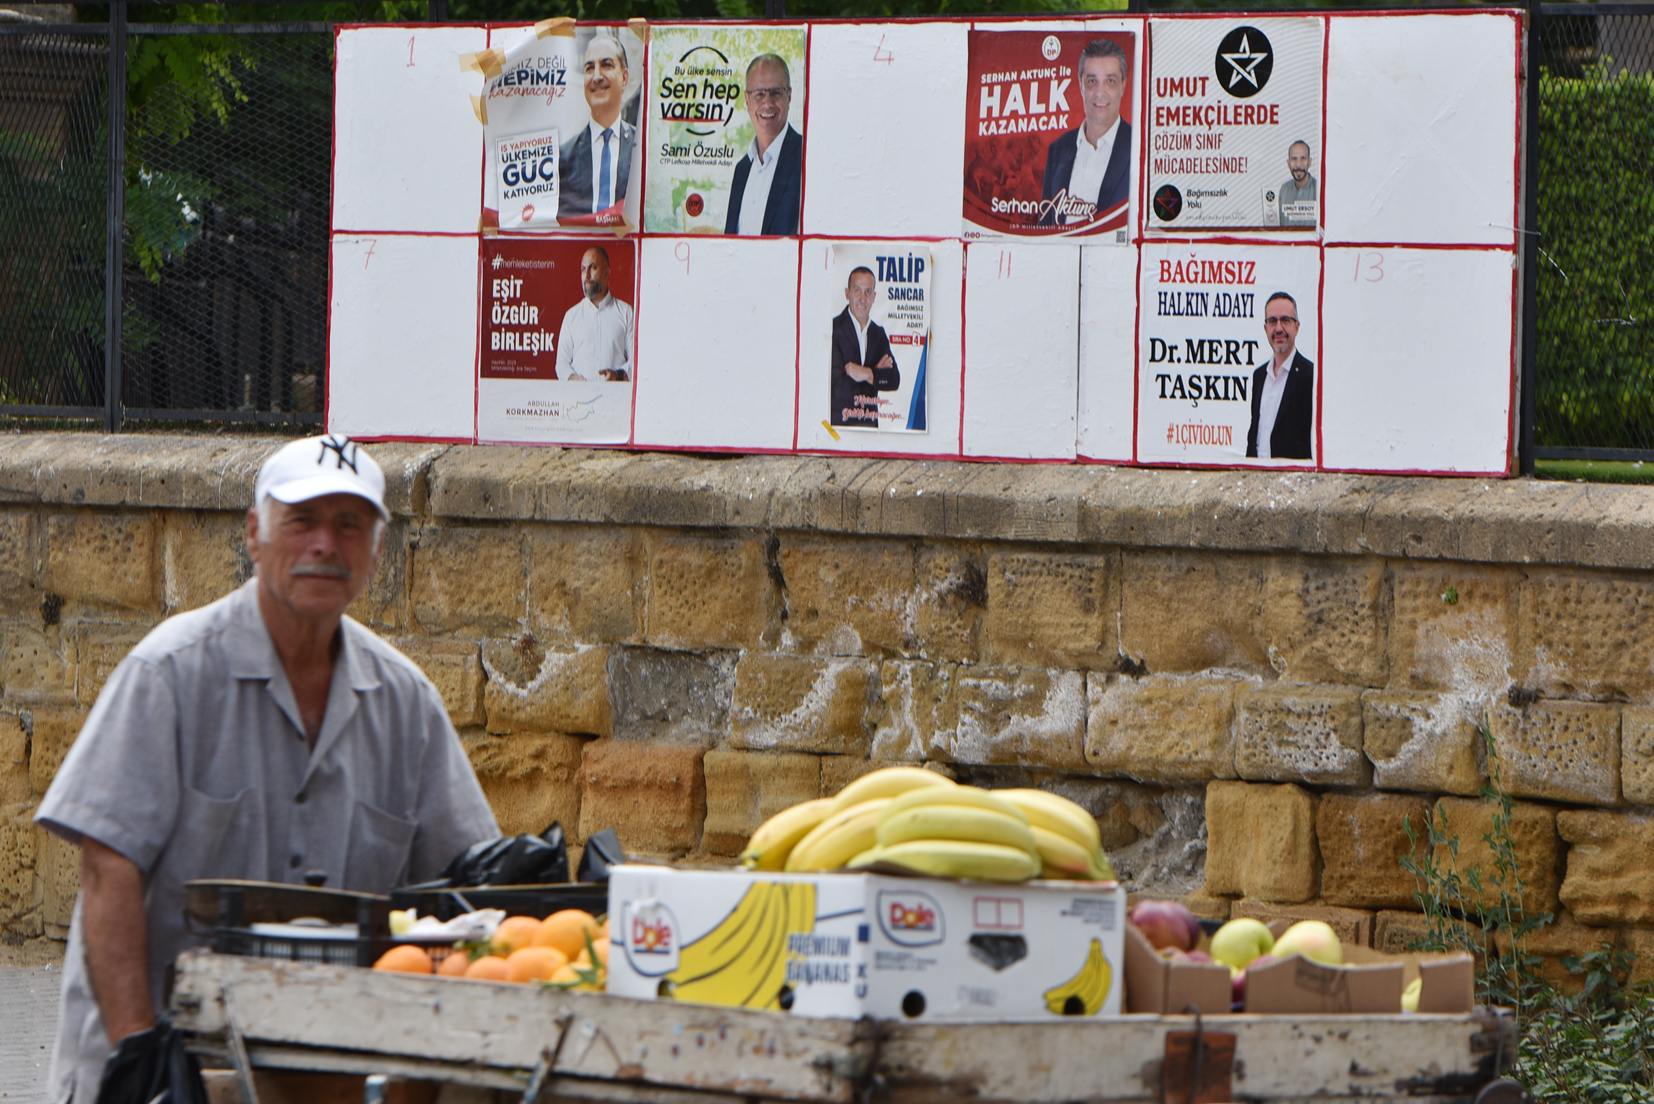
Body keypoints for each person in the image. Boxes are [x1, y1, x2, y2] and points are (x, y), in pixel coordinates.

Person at [35, 435, 500, 1102]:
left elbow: (465, 885)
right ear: (255, 535)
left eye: (350, 525)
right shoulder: (170, 672)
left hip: (322, 1073)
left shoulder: (406, 703)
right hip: (156, 1056)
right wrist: (142, 1059)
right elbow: (108, 869)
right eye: (302, 521)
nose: (325, 545)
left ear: (376, 553)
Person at [1040, 39, 1133, 226]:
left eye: (1110, 81)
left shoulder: (1139, 147)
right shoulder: (1058, 149)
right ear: (1080, 85)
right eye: (1092, 81)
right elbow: (1045, 225)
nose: (1100, 93)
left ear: (1123, 85)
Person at [558, 35, 636, 221]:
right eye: (589, 68)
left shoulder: (641, 149)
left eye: (606, 65)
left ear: (624, 78)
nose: (597, 76)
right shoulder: (564, 156)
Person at [725, 54, 803, 236]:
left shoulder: (805, 158)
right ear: (747, 100)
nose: (767, 103)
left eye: (776, 93)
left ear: (789, 97)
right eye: (759, 94)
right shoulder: (741, 170)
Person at [1246, 292, 1315, 460]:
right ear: (1265, 328)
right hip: (1256, 473)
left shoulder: (1310, 376)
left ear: (1297, 326)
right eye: (1272, 321)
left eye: (1285, 320)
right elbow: (1255, 434)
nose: (1278, 328)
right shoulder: (1259, 376)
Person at [830, 266, 900, 428]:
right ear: (847, 293)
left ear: (874, 297)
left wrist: (867, 373)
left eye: (868, 292)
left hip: (870, 427)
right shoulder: (833, 330)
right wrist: (875, 375)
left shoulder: (878, 333)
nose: (863, 299)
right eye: (857, 291)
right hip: (840, 427)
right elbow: (839, 390)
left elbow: (894, 380)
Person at [558, 245, 634, 382]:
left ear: (606, 272)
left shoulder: (626, 313)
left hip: (615, 394)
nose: (587, 275)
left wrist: (618, 375)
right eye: (583, 269)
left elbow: (637, 360)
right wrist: (572, 378)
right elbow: (561, 363)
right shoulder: (571, 316)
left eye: (592, 267)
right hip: (579, 395)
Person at [1277, 141, 1317, 228]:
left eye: (1303, 158)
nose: (1298, 165)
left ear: (1310, 162)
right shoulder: (1284, 190)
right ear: (1288, 163)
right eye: (1294, 159)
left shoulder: (1320, 190)